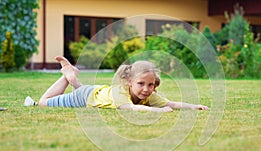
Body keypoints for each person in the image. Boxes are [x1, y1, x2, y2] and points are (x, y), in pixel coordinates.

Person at [24, 56, 209, 112]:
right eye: (141, 84)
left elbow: (171, 104)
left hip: (97, 91)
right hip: (85, 97)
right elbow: (127, 108)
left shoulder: (150, 94)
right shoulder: (123, 93)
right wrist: (156, 111)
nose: (146, 89)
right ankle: (67, 76)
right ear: (129, 82)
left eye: (151, 85)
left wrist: (194, 106)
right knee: (43, 102)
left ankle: (73, 78)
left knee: (82, 87)